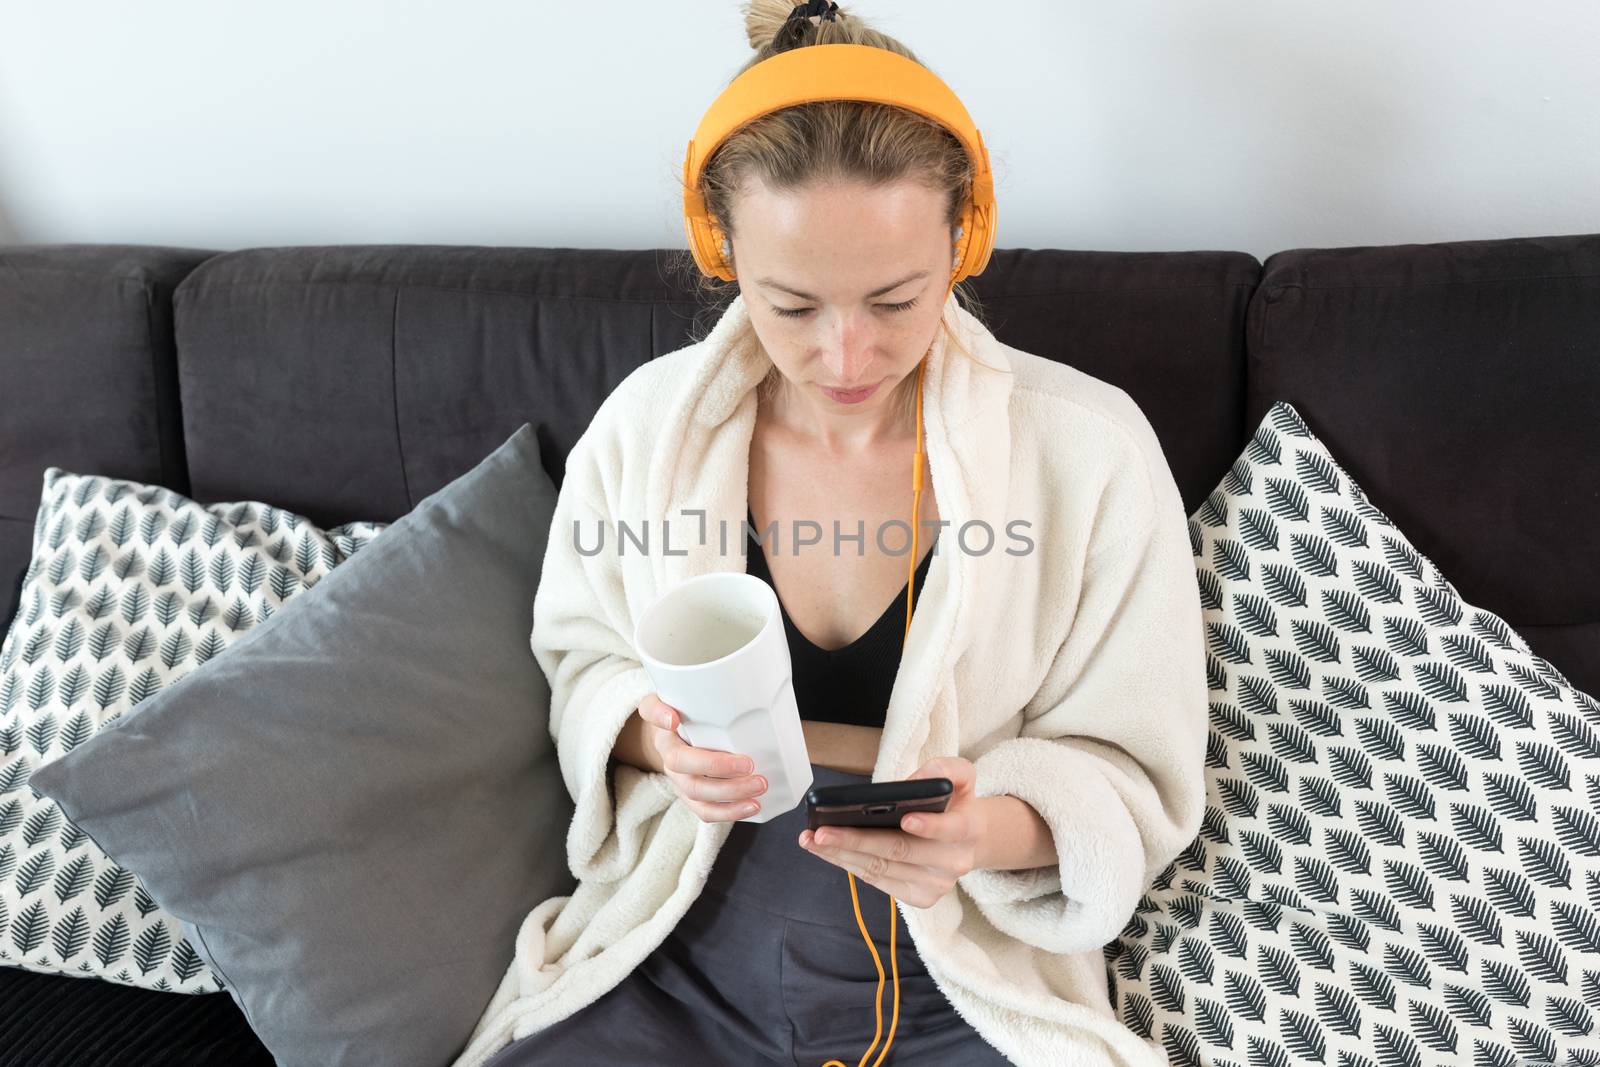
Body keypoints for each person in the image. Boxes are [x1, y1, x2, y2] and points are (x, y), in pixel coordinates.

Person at [452, 3, 1208, 1066]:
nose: (847, 354)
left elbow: (1134, 771)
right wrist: (657, 736)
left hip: (954, 963)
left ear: (965, 237)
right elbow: (582, 662)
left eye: (896, 299)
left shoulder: (1089, 452)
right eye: (793, 304)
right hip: (679, 943)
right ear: (722, 252)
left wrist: (981, 830)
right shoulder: (646, 432)